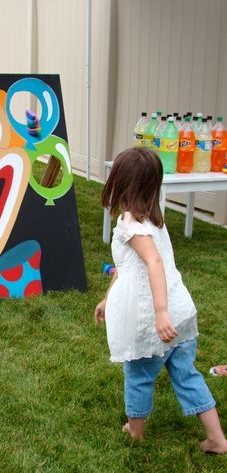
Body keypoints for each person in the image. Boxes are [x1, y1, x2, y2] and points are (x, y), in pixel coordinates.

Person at [94, 146, 227, 453]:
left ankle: (135, 432)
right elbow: (128, 268)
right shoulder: (154, 218)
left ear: (121, 183)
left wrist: (160, 313)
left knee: (139, 375)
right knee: (186, 375)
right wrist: (106, 299)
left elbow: (153, 263)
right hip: (181, 313)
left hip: (157, 320)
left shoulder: (132, 226)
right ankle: (218, 440)